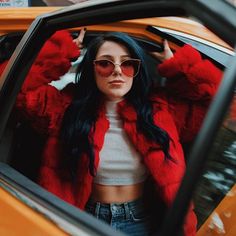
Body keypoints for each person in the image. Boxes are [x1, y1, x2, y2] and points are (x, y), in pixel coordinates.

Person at [0, 29, 222, 236]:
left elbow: (218, 103)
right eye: (105, 63)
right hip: (78, 218)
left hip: (140, 221)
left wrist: (178, 66)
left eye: (127, 64)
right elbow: (13, 89)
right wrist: (59, 52)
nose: (117, 70)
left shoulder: (162, 109)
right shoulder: (65, 106)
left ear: (136, 70)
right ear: (92, 69)